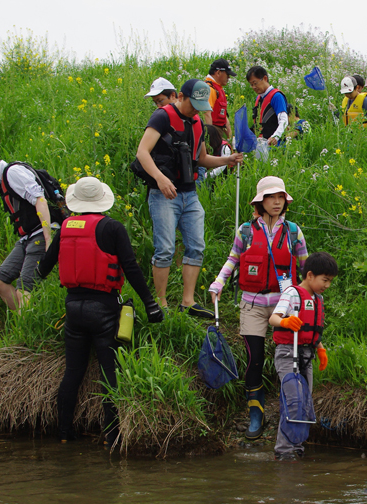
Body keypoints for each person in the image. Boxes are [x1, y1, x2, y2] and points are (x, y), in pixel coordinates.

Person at [37, 177, 164, 445]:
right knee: (110, 372)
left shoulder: (67, 228)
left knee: (73, 372)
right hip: (104, 309)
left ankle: (64, 434)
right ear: (102, 201)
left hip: (73, 309)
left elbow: (43, 268)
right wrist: (150, 303)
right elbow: (130, 268)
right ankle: (112, 435)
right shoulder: (112, 228)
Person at [208, 176, 308, 440]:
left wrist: (309, 299)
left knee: (288, 358)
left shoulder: (294, 231)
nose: (277, 202)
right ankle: (256, 411)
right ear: (260, 201)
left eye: (281, 198)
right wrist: (219, 282)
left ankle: (291, 407)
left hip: (285, 303)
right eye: (271, 197)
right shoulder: (246, 231)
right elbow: (233, 258)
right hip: (252, 303)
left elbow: (306, 267)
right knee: (254, 359)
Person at [134, 79, 243, 318]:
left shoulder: (196, 124)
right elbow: (142, 152)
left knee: (196, 246)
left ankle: (188, 301)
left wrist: (228, 159)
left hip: (189, 193)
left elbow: (202, 159)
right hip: (163, 195)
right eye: (193, 103)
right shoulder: (161, 117)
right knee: (164, 249)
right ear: (180, 96)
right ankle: (161, 304)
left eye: (200, 105)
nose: (196, 109)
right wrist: (160, 179)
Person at [0, 146, 55, 312]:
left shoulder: (13, 173)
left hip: (40, 234)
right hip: (27, 237)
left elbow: (40, 200)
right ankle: (22, 322)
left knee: (24, 290)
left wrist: (48, 238)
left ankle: (25, 331)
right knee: (0, 280)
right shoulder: (3, 181)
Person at [268, 252, 338, 460]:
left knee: (304, 403)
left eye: (330, 281)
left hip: (306, 355)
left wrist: (320, 349)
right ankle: (284, 452)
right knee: (294, 401)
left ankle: (297, 448)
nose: (327, 285)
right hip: (288, 353)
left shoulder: (318, 299)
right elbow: (273, 318)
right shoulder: (292, 293)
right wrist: (285, 322)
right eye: (324, 280)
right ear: (310, 275)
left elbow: (312, 330)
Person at [246, 66, 289, 148]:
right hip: (261, 145)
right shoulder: (259, 98)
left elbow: (283, 120)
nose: (254, 87)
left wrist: (275, 137)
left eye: (255, 83)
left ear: (265, 78)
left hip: (275, 146)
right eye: (251, 85)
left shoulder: (276, 96)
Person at [204, 59, 237, 155]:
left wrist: (230, 138)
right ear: (218, 73)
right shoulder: (209, 89)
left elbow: (223, 116)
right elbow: (207, 114)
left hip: (219, 131)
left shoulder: (218, 89)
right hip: (213, 132)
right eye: (227, 75)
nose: (229, 78)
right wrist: (209, 139)